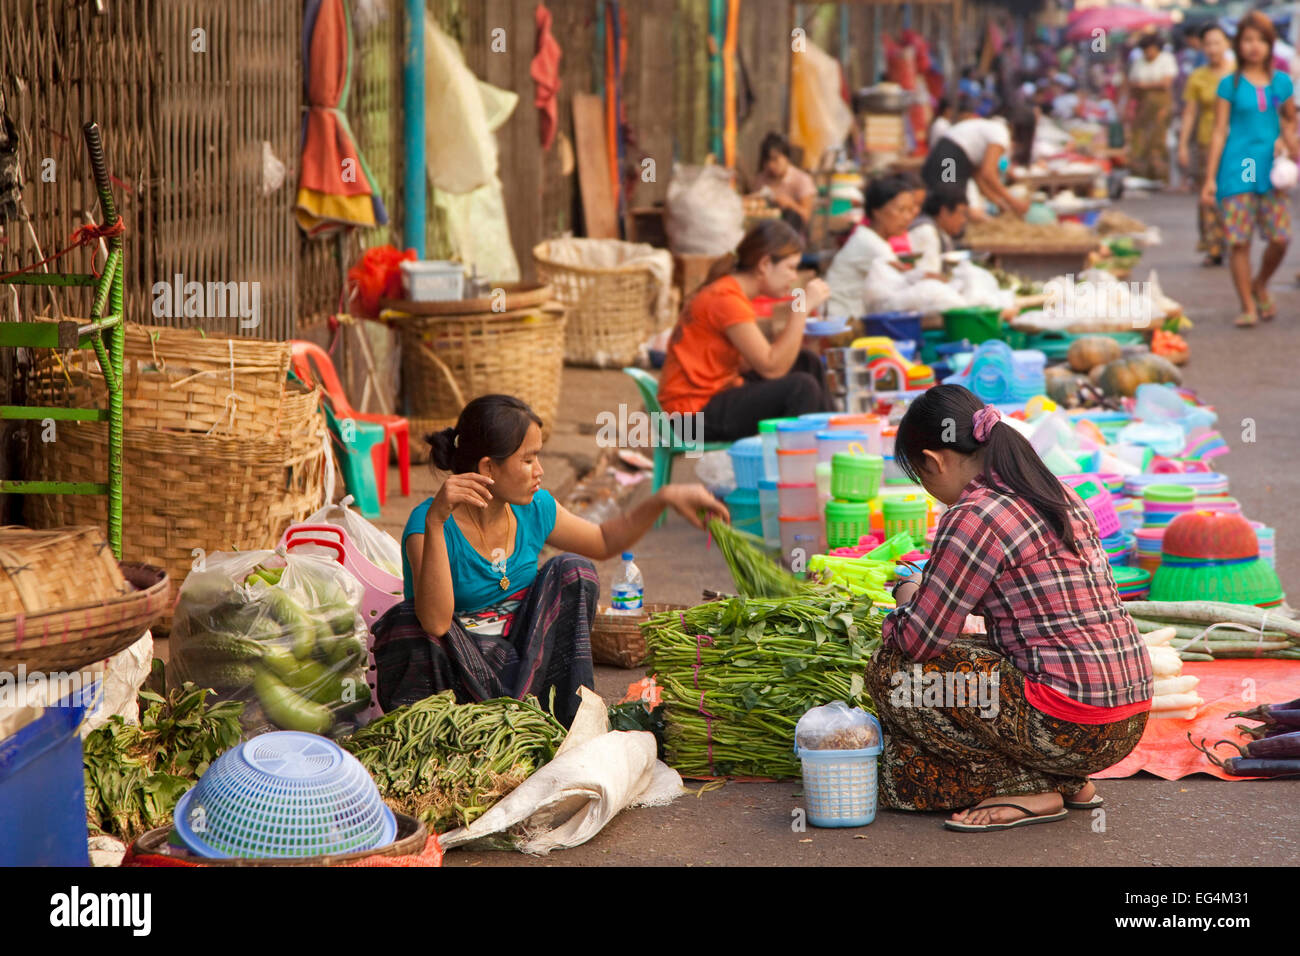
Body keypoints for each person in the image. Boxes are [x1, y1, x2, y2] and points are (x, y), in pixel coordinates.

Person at [863, 385, 1153, 832]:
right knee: (967, 657)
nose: (931, 491)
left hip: (1071, 721)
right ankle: (1069, 781)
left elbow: (919, 640)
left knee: (894, 670)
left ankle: (1031, 787)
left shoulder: (975, 514)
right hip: (1128, 715)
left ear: (935, 460)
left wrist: (907, 593)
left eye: (923, 478)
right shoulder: (1054, 492)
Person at [372, 395, 728, 727]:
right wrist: (436, 522)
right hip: (462, 682)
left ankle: (562, 716)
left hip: (529, 670)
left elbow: (603, 542)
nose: (539, 470)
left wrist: (663, 498)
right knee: (406, 623)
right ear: (488, 468)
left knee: (573, 570)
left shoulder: (534, 508)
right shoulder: (427, 525)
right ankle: (480, 726)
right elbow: (435, 624)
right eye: (528, 460)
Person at [657, 220, 833, 442]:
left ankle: (834, 441)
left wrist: (794, 338)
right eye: (790, 267)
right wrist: (801, 309)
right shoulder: (727, 299)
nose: (793, 276)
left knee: (807, 362)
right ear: (765, 264)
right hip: (688, 417)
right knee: (802, 388)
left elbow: (751, 363)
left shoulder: (731, 293)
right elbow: (772, 368)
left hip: (712, 397)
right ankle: (797, 465)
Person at [1202, 11, 1300, 328]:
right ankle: (1247, 305)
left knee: (1280, 238)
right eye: (1247, 40)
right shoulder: (1228, 85)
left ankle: (1261, 283)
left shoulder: (1282, 83)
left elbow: (1288, 120)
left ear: (1271, 45)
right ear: (1238, 44)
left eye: (1260, 40)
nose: (1254, 47)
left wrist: (1288, 145)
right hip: (1239, 166)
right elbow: (1219, 132)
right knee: (1239, 240)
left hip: (1270, 169)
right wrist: (1209, 179)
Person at [1179, 24, 1234, 266]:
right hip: (1205, 143)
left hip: (1237, 144)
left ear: (1228, 44)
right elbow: (1190, 113)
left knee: (1234, 194)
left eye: (1217, 42)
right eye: (1208, 43)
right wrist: (1182, 145)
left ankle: (1234, 241)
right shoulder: (1197, 77)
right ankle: (1213, 246)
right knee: (1208, 194)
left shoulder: (1239, 74)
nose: (1213, 48)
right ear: (1202, 47)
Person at [823, 175, 914, 318]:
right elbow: (903, 284)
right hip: (840, 320)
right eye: (901, 210)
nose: (907, 217)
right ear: (877, 211)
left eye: (910, 210)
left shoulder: (870, 238)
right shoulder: (871, 244)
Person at [921, 106, 1032, 217]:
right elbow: (988, 173)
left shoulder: (990, 129)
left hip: (946, 154)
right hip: (950, 157)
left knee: (948, 199)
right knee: (950, 200)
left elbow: (978, 176)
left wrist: (997, 201)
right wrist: (1014, 202)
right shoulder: (1001, 133)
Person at [1127, 34, 1178, 183]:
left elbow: (1166, 83)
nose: (1148, 53)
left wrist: (1145, 85)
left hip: (1161, 105)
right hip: (1143, 106)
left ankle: (1160, 176)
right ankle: (1142, 176)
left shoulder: (1166, 60)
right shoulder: (1139, 62)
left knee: (1158, 139)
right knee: (1140, 139)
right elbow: (1132, 84)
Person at [750, 133, 817, 234]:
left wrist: (789, 204)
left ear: (787, 158)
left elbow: (806, 216)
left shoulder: (802, 180)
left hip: (791, 235)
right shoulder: (761, 179)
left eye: (775, 159)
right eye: (767, 161)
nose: (771, 165)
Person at [908, 187, 970, 273]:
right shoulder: (926, 231)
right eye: (961, 213)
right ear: (944, 212)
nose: (963, 220)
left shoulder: (941, 233)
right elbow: (928, 274)